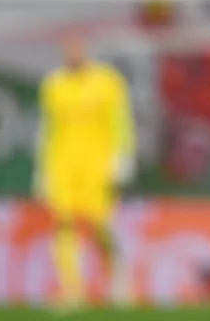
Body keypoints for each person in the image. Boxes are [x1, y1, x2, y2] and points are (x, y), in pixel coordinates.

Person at [33, 33, 136, 310]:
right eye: (69, 47)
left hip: (98, 167)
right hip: (62, 166)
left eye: (77, 46)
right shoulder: (54, 84)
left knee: (102, 226)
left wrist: (122, 160)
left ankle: (118, 283)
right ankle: (72, 290)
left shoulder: (107, 82)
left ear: (87, 49)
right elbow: (47, 129)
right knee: (63, 225)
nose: (73, 52)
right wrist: (42, 170)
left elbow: (121, 123)